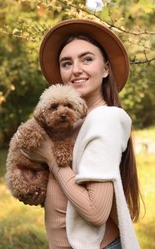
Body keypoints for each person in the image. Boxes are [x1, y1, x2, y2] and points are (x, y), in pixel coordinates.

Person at [16, 19, 141, 249]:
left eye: (87, 59)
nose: (75, 70)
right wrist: (40, 191)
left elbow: (95, 213)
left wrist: (50, 158)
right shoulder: (72, 123)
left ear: (105, 69)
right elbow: (71, 190)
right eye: (66, 63)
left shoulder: (105, 119)